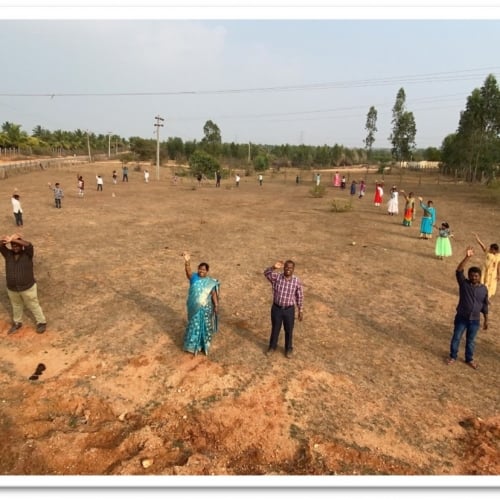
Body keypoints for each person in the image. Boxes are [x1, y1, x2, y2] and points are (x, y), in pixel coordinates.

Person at [447, 247, 488, 369]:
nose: (474, 278)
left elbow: (485, 305)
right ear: (469, 276)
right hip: (462, 318)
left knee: (471, 341)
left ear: (480, 276)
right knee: (456, 338)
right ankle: (453, 356)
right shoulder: (464, 284)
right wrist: (467, 257)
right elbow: (459, 271)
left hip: (475, 321)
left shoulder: (483, 289)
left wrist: (486, 320)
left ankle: (469, 359)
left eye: (476, 276)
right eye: (472, 276)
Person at [0, 233, 47, 334]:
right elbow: (0, 246)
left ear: (21, 245)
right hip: (12, 289)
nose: (15, 247)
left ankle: (41, 322)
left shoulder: (27, 254)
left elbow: (29, 245)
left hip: (27, 288)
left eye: (17, 245)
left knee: (33, 305)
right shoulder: (8, 254)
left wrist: (14, 239)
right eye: (13, 246)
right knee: (16, 306)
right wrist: (6, 240)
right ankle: (17, 323)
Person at [182, 252, 220, 356]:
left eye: (203, 269)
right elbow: (188, 271)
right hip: (194, 308)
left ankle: (203, 345)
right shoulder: (194, 277)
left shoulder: (210, 282)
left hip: (205, 308)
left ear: (207, 271)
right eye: (200, 269)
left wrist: (216, 305)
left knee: (205, 326)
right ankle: (192, 345)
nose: (201, 271)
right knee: (194, 325)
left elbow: (213, 294)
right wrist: (187, 261)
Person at [263, 260, 304, 359]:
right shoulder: (277, 277)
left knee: (289, 330)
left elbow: (300, 296)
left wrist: (300, 310)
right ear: (284, 267)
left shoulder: (296, 281)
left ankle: (288, 349)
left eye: (290, 268)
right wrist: (274, 267)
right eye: (286, 267)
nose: (288, 269)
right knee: (275, 329)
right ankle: (272, 347)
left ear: (293, 269)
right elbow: (266, 273)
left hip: (289, 310)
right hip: (277, 309)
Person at [473, 233, 500, 299]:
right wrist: (478, 240)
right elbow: (483, 247)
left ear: (495, 250)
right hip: (484, 272)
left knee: (490, 286)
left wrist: (499, 275)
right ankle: (480, 295)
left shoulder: (498, 256)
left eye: (491, 249)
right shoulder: (488, 252)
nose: (490, 249)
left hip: (492, 274)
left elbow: (499, 266)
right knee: (482, 283)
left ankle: (486, 298)